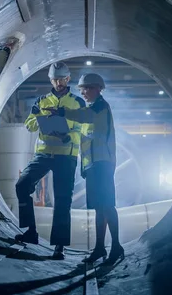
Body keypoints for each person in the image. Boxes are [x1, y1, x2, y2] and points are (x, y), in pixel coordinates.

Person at [44, 72, 124, 264]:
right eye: (82, 89)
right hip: (93, 167)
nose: (84, 92)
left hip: (102, 165)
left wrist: (63, 112)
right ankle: (99, 248)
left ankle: (116, 246)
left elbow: (83, 115)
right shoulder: (94, 108)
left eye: (87, 88)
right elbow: (84, 135)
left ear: (98, 88)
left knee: (108, 206)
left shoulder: (100, 107)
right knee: (99, 207)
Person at [15, 62, 85, 260]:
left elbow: (83, 129)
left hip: (66, 156)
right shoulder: (42, 101)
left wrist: (68, 135)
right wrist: (41, 120)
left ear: (68, 79)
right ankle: (31, 231)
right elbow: (29, 124)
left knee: (63, 200)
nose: (58, 82)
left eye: (62, 79)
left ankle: (59, 246)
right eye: (55, 79)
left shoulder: (77, 103)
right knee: (22, 185)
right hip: (44, 154)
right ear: (51, 80)